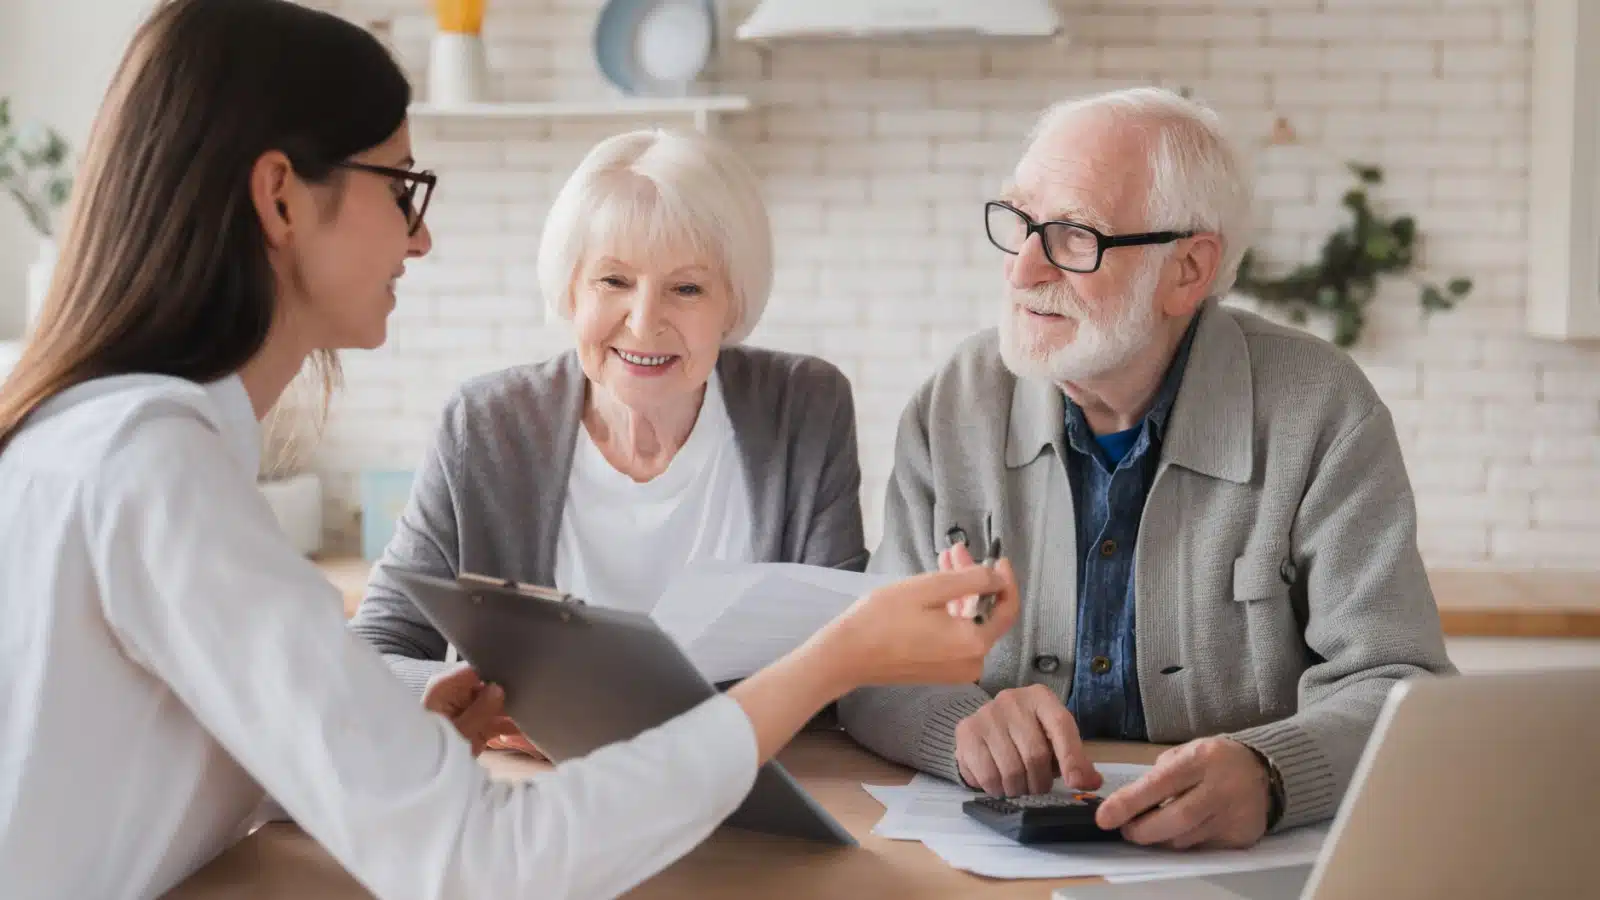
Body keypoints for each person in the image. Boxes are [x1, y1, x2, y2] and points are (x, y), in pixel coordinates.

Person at [0, 2, 1021, 898]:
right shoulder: (154, 468)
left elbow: (172, 757)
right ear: (279, 199)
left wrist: (397, 723)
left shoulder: (98, 440)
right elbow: (482, 865)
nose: (421, 238)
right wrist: (832, 656)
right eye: (401, 187)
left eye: (686, 287)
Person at [837, 87, 1456, 850]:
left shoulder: (1322, 410)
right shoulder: (953, 404)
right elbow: (867, 662)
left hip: (1239, 863)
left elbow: (1400, 683)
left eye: (1073, 237)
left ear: (1189, 270)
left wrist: (1270, 773)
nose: (1023, 269)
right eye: (1020, 223)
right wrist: (958, 725)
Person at [349, 128, 866, 757]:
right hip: (542, 795)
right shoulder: (484, 426)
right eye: (614, 280)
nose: (645, 322)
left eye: (687, 288)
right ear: (570, 290)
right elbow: (379, 648)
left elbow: (845, 658)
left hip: (741, 788)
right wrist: (501, 705)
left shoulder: (804, 407)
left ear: (733, 303)